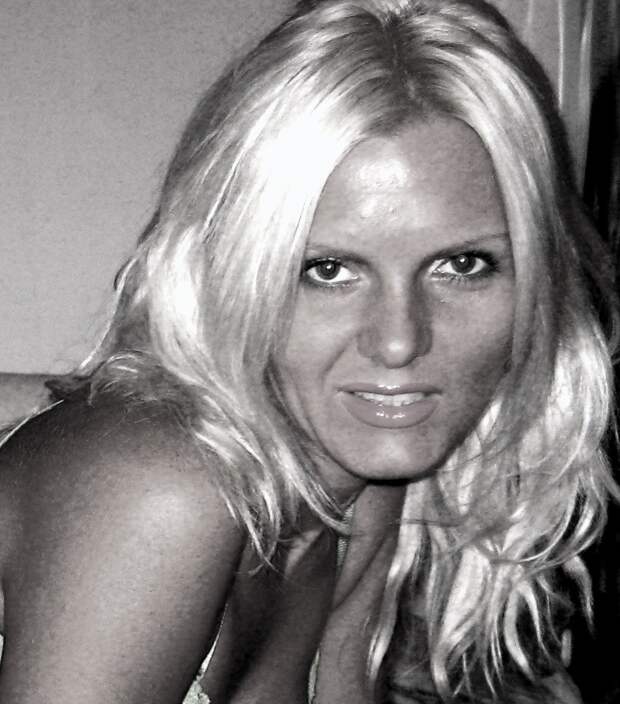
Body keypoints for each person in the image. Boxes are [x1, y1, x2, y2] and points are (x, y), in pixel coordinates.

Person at [0, 0, 616, 702]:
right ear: (230, 273)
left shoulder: (362, 491)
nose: (399, 341)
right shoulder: (158, 489)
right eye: (327, 270)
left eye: (462, 265)